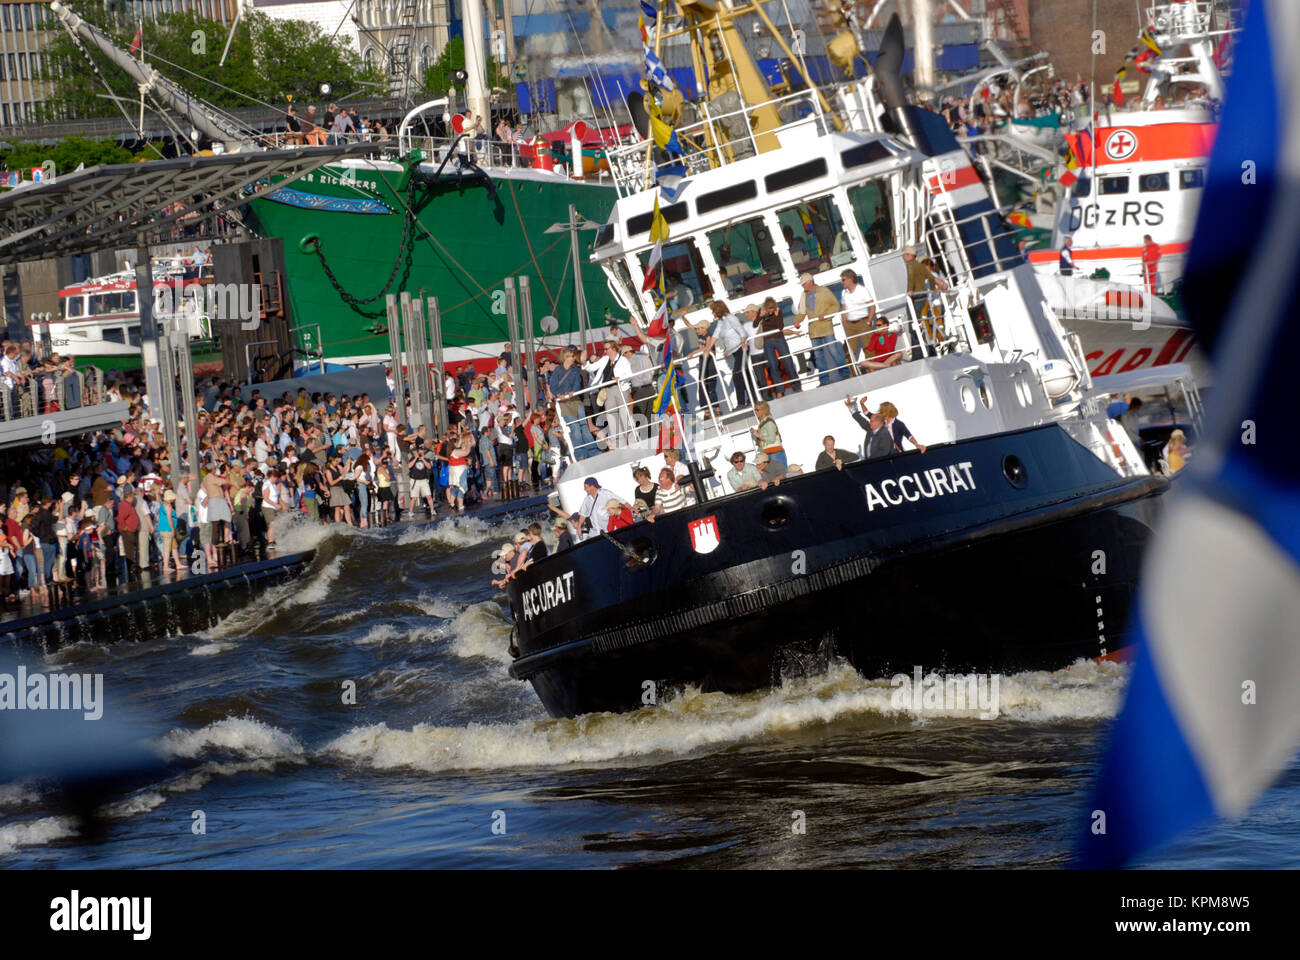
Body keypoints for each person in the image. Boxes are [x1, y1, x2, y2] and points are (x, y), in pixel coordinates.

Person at [793, 273, 848, 385]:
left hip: (825, 326)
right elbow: (801, 311)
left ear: (810, 282)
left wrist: (826, 314)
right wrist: (798, 320)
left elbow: (835, 305)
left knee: (834, 351)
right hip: (813, 329)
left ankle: (845, 373)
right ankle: (824, 380)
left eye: (803, 284)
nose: (802, 286)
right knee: (818, 356)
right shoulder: (803, 295)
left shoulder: (824, 291)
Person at [751, 297, 799, 398]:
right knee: (773, 366)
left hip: (779, 339)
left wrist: (777, 316)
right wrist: (760, 316)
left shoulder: (778, 311)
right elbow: (755, 325)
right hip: (768, 341)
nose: (771, 312)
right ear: (766, 308)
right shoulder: (762, 311)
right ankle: (780, 391)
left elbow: (780, 327)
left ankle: (797, 386)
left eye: (772, 310)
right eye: (769, 310)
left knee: (788, 362)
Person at [709, 300, 752, 410]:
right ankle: (752, 398)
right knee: (745, 375)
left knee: (737, 375)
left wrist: (743, 342)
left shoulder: (730, 318)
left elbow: (742, 331)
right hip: (734, 351)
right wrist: (708, 347)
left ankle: (741, 403)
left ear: (718, 310)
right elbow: (716, 333)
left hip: (741, 349)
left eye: (713, 311)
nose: (712, 313)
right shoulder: (721, 321)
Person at [839, 269, 877, 375]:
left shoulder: (862, 290)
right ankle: (852, 374)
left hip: (863, 322)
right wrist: (845, 323)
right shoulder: (843, 292)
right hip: (850, 325)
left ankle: (873, 371)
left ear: (850, 279)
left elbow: (872, 305)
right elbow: (843, 308)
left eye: (843, 280)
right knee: (849, 352)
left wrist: (869, 321)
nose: (842, 282)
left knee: (869, 349)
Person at [749, 401, 785, 470]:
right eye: (755, 410)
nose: (756, 412)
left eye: (757, 410)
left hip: (775, 452)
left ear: (764, 410)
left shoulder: (768, 422)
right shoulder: (763, 422)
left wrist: (758, 435)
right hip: (770, 452)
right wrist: (756, 432)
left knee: (781, 473)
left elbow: (771, 439)